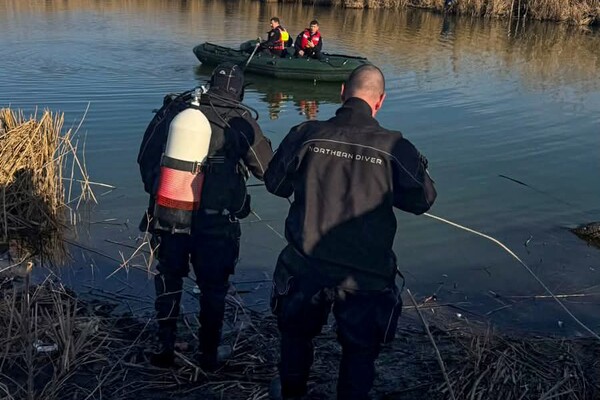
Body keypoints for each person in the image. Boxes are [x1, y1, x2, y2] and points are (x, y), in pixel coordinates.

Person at [264, 64, 437, 399]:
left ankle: (291, 392)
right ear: (380, 101)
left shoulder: (306, 133)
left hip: (305, 266)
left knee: (296, 337)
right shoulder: (396, 148)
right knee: (359, 353)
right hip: (366, 275)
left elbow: (275, 183)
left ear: (342, 92)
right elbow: (423, 200)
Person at [137, 62, 273, 370]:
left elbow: (145, 156)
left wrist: (163, 192)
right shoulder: (241, 120)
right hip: (216, 225)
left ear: (209, 83)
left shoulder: (175, 110)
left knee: (169, 279)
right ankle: (208, 356)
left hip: (171, 216)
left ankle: (165, 349)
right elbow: (266, 171)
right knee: (213, 289)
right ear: (240, 90)